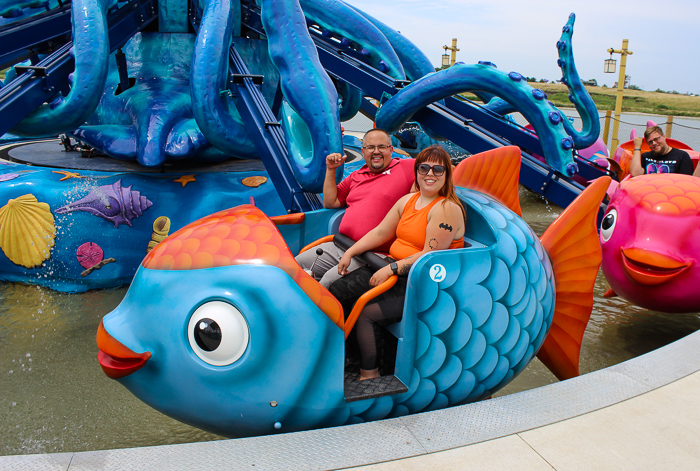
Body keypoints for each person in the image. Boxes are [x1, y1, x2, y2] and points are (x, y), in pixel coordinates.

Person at [329, 146, 466, 381]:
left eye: (437, 169)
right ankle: (344, 359)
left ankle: (369, 376)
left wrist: (390, 268)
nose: (430, 174)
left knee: (367, 313)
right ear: (417, 172)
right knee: (336, 292)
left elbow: (428, 256)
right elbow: (382, 231)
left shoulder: (446, 209)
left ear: (446, 175)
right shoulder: (409, 200)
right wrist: (350, 251)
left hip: (423, 283)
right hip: (394, 269)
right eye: (424, 168)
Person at [296, 129, 415, 287]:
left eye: (382, 147)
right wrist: (331, 169)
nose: (376, 151)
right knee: (295, 264)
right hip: (341, 245)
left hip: (373, 255)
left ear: (391, 150)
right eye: (371, 147)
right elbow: (331, 202)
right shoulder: (356, 176)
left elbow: (439, 165)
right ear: (363, 151)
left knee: (328, 283)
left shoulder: (407, 167)